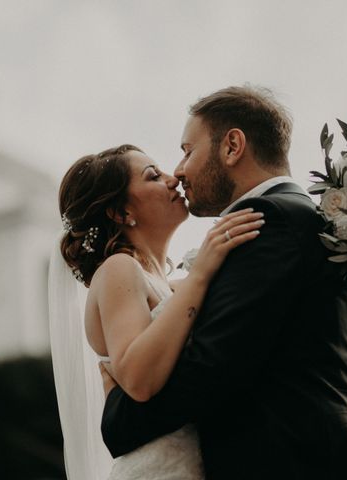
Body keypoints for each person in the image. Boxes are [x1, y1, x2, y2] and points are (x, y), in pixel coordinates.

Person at [99, 86, 347, 479]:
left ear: (232, 146)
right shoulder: (315, 223)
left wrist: (118, 418)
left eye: (188, 150)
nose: (180, 170)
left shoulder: (269, 221)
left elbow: (213, 366)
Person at [50, 144, 264, 479]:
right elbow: (138, 379)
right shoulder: (119, 269)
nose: (173, 178)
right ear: (121, 213)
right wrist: (202, 274)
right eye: (153, 175)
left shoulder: (170, 284)